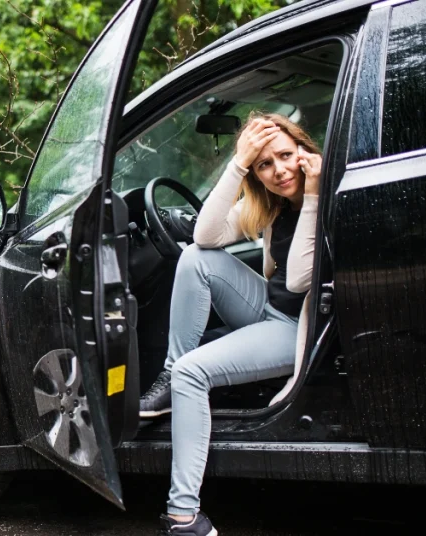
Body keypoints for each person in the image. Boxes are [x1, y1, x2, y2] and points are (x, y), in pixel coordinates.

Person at [138, 113, 323, 536]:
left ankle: (182, 516)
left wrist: (312, 195)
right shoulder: (272, 205)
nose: (278, 171)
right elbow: (204, 237)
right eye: (264, 165)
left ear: (303, 151)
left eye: (285, 156)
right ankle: (170, 372)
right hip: (268, 308)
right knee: (195, 259)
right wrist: (236, 163)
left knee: (193, 373)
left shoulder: (326, 196)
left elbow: (297, 279)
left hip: (298, 329)